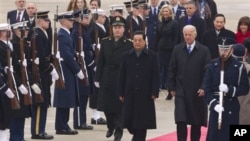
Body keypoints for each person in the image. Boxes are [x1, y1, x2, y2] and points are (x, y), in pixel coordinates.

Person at [167, 25, 211, 141]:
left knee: (196, 122)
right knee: (181, 120)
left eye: (189, 34)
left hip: (197, 92)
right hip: (181, 91)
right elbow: (172, 69)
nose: (187, 37)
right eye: (185, 34)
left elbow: (207, 71)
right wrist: (171, 86)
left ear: (195, 35)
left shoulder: (203, 50)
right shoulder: (177, 49)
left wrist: (203, 87)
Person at [94, 16, 133, 141]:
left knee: (119, 107)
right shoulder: (105, 42)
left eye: (120, 27)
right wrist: (97, 78)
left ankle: (119, 130)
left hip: (121, 78)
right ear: (112, 28)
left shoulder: (129, 44)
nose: (117, 30)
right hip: (107, 77)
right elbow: (101, 61)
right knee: (106, 106)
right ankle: (110, 126)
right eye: (115, 27)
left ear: (124, 29)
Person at [204, 38, 249, 141]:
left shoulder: (239, 67)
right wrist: (214, 104)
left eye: (226, 49)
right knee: (214, 137)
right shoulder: (212, 66)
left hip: (231, 107)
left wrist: (229, 89)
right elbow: (207, 89)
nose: (223, 52)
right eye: (221, 49)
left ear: (231, 50)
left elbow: (244, 88)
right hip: (217, 107)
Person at [118, 30, 160, 141]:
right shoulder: (126, 56)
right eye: (135, 40)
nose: (137, 42)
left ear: (144, 42)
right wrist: (121, 92)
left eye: (139, 40)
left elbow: (155, 75)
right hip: (130, 94)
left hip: (145, 94)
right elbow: (122, 75)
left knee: (142, 124)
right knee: (129, 122)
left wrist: (154, 92)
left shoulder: (152, 56)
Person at [53, 10, 83, 135]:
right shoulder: (62, 35)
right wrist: (78, 70)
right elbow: (67, 56)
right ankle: (61, 126)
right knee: (64, 100)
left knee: (66, 99)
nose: (72, 22)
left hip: (67, 70)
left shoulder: (66, 34)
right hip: (65, 71)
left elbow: (70, 53)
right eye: (70, 21)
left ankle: (63, 125)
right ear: (63, 22)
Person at [30, 11, 56, 140]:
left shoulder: (43, 33)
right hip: (40, 74)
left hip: (44, 73)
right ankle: (37, 131)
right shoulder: (37, 35)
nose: (48, 22)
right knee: (40, 103)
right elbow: (39, 56)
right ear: (39, 21)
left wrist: (52, 58)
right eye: (46, 20)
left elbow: (46, 53)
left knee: (44, 102)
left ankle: (41, 129)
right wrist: (50, 68)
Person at [71, 9, 94, 130]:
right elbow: (79, 49)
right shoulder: (76, 32)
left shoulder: (83, 30)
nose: (88, 20)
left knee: (85, 94)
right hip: (82, 66)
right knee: (81, 94)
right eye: (85, 18)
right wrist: (90, 63)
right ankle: (79, 122)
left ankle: (82, 121)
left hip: (86, 65)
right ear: (79, 19)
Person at [88, 8, 108, 125]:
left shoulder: (100, 28)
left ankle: (97, 114)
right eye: (102, 17)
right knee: (95, 90)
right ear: (97, 17)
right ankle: (95, 115)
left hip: (101, 61)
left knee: (99, 90)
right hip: (96, 63)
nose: (104, 19)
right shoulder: (94, 29)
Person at [155, 4, 178, 99]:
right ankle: (157, 88)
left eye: (167, 11)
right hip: (161, 49)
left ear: (170, 13)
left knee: (170, 71)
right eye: (163, 11)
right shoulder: (160, 23)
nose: (165, 13)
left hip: (170, 50)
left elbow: (176, 37)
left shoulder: (174, 23)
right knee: (158, 69)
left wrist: (175, 50)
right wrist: (155, 49)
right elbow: (157, 37)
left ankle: (170, 91)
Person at [0, 23, 17, 141]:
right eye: (7, 31)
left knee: (6, 115)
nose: (10, 33)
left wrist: (5, 69)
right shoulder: (1, 46)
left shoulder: (8, 45)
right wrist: (4, 88)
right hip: (2, 85)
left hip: (6, 81)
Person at [232, 43, 250, 125]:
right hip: (246, 109)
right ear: (245, 53)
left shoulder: (226, 68)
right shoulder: (248, 68)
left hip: (230, 110)